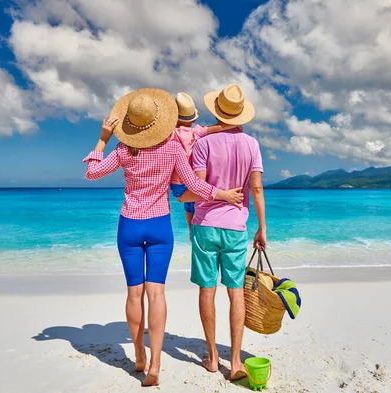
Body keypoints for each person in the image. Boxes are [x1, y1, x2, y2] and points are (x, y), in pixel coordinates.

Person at [82, 88, 244, 387]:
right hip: (159, 226)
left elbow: (92, 173)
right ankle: (155, 365)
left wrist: (103, 138)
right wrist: (222, 194)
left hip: (129, 224)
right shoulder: (172, 149)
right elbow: (193, 183)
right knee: (156, 294)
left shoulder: (122, 150)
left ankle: (139, 357)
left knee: (134, 293)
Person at [177, 83, 267, 380]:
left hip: (205, 225)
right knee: (235, 292)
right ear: (240, 114)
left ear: (218, 112)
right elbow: (255, 188)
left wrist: (180, 198)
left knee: (207, 289)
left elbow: (198, 189)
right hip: (236, 228)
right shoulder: (252, 145)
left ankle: (213, 357)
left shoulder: (203, 145)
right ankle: (237, 362)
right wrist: (262, 227)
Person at [169, 92, 237, 240]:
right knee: (195, 203)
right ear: (193, 118)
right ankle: (197, 227)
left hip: (176, 182)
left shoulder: (170, 134)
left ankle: (190, 230)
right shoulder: (196, 132)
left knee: (185, 203)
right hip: (194, 179)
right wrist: (234, 124)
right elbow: (216, 128)